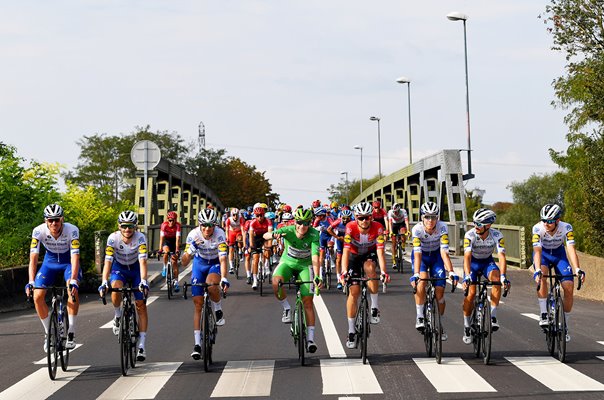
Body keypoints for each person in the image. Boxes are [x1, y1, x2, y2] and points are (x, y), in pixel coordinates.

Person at [264, 208, 322, 353]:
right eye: (299, 222)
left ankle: (310, 339)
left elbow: (315, 257)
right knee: (276, 282)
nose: (302, 226)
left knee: (308, 302)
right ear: (295, 222)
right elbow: (266, 236)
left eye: (306, 223)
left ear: (310, 223)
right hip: (288, 263)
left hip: (305, 266)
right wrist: (274, 235)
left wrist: (317, 275)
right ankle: (286, 308)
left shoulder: (314, 234)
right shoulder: (288, 230)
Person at [25, 204, 81, 352]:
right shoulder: (38, 231)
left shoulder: (72, 230)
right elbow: (33, 258)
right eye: (50, 220)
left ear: (62, 219)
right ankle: (48, 333)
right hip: (49, 263)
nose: (54, 223)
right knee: (37, 296)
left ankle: (71, 332)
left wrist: (74, 280)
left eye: (57, 220)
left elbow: (75, 256)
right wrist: (31, 281)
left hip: (67, 262)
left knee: (72, 291)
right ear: (46, 221)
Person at [98, 211, 150, 361]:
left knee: (140, 304)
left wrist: (144, 281)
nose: (127, 229)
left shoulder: (141, 238)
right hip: (119, 269)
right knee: (115, 288)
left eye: (131, 226)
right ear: (119, 226)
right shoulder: (112, 239)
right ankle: (118, 316)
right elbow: (107, 261)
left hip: (135, 270)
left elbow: (143, 262)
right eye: (124, 226)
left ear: (135, 227)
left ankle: (141, 345)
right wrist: (104, 282)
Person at [339, 202, 390, 349]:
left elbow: (380, 252)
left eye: (367, 218)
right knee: (353, 292)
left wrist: (384, 272)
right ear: (356, 217)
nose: (364, 221)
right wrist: (343, 272)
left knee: (370, 269)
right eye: (360, 218)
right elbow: (346, 251)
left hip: (370, 253)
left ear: (371, 217)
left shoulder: (378, 228)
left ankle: (374, 307)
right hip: (354, 255)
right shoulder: (350, 227)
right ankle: (350, 331)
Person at [532, 203, 585, 342]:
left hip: (559, 255)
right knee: (542, 276)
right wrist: (537, 270)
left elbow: (571, 249)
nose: (546, 224)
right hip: (543, 255)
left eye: (549, 221)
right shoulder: (537, 228)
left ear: (557, 220)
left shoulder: (566, 227)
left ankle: (565, 324)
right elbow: (537, 251)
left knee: (568, 286)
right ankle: (544, 313)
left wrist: (577, 269)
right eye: (544, 220)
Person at [181, 208, 230, 360]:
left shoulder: (220, 234)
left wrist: (224, 278)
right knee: (198, 304)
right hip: (199, 264)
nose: (207, 229)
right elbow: (184, 263)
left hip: (214, 263)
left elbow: (223, 259)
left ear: (215, 225)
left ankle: (217, 307)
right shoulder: (193, 235)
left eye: (210, 225)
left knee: (211, 284)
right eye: (204, 225)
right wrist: (190, 251)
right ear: (200, 225)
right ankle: (197, 344)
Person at [409, 201, 458, 341]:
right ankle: (419, 316)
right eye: (427, 217)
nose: (430, 220)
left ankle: (440, 323)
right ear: (422, 218)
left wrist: (451, 271)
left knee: (440, 292)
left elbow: (444, 252)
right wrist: (416, 274)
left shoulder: (443, 227)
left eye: (433, 217)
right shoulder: (417, 230)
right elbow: (417, 254)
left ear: (438, 218)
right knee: (422, 281)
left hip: (436, 256)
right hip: (422, 257)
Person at [461, 208, 510, 344]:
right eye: (475, 223)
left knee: (496, 280)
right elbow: (467, 257)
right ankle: (466, 324)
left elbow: (501, 256)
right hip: (473, 263)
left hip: (487, 262)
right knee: (471, 293)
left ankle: (493, 316)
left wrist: (503, 276)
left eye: (479, 224)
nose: (475, 226)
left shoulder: (497, 235)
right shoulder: (469, 235)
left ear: (488, 225)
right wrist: (466, 276)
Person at [327, 208, 353, 290]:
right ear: (341, 217)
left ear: (350, 218)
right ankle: (339, 279)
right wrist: (337, 237)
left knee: (350, 259)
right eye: (343, 218)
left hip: (349, 241)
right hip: (340, 241)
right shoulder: (338, 221)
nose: (345, 220)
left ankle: (348, 274)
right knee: (338, 260)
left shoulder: (353, 222)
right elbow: (329, 229)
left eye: (347, 218)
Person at [248, 206, 273, 289]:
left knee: (267, 247)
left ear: (264, 215)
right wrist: (251, 246)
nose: (259, 217)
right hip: (256, 238)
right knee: (255, 259)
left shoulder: (268, 221)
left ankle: (266, 265)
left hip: (265, 236)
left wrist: (270, 245)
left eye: (261, 215)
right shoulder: (253, 223)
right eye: (257, 216)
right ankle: (255, 280)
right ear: (255, 216)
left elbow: (270, 234)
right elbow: (251, 236)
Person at [158, 211, 182, 292]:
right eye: (169, 220)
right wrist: (160, 249)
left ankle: (176, 281)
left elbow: (178, 239)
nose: (170, 222)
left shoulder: (178, 226)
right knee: (166, 253)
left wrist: (177, 250)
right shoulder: (164, 225)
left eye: (172, 220)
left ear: (175, 220)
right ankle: (165, 267)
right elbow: (161, 238)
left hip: (174, 242)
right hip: (167, 241)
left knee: (174, 261)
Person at [386, 203, 410, 271]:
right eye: (394, 212)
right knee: (393, 243)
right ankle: (394, 261)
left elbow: (406, 221)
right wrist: (391, 232)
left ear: (399, 210)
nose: (395, 213)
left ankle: (403, 247)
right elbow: (390, 223)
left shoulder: (403, 211)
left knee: (403, 233)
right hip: (394, 225)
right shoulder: (390, 212)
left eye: (396, 212)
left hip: (401, 224)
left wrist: (408, 230)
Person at [224, 208, 244, 274]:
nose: (235, 217)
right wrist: (227, 238)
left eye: (236, 215)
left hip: (238, 232)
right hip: (231, 232)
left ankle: (240, 251)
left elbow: (242, 229)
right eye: (234, 215)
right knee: (231, 249)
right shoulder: (228, 220)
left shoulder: (241, 219)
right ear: (231, 215)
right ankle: (231, 266)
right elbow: (226, 230)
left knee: (240, 241)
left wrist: (243, 239)